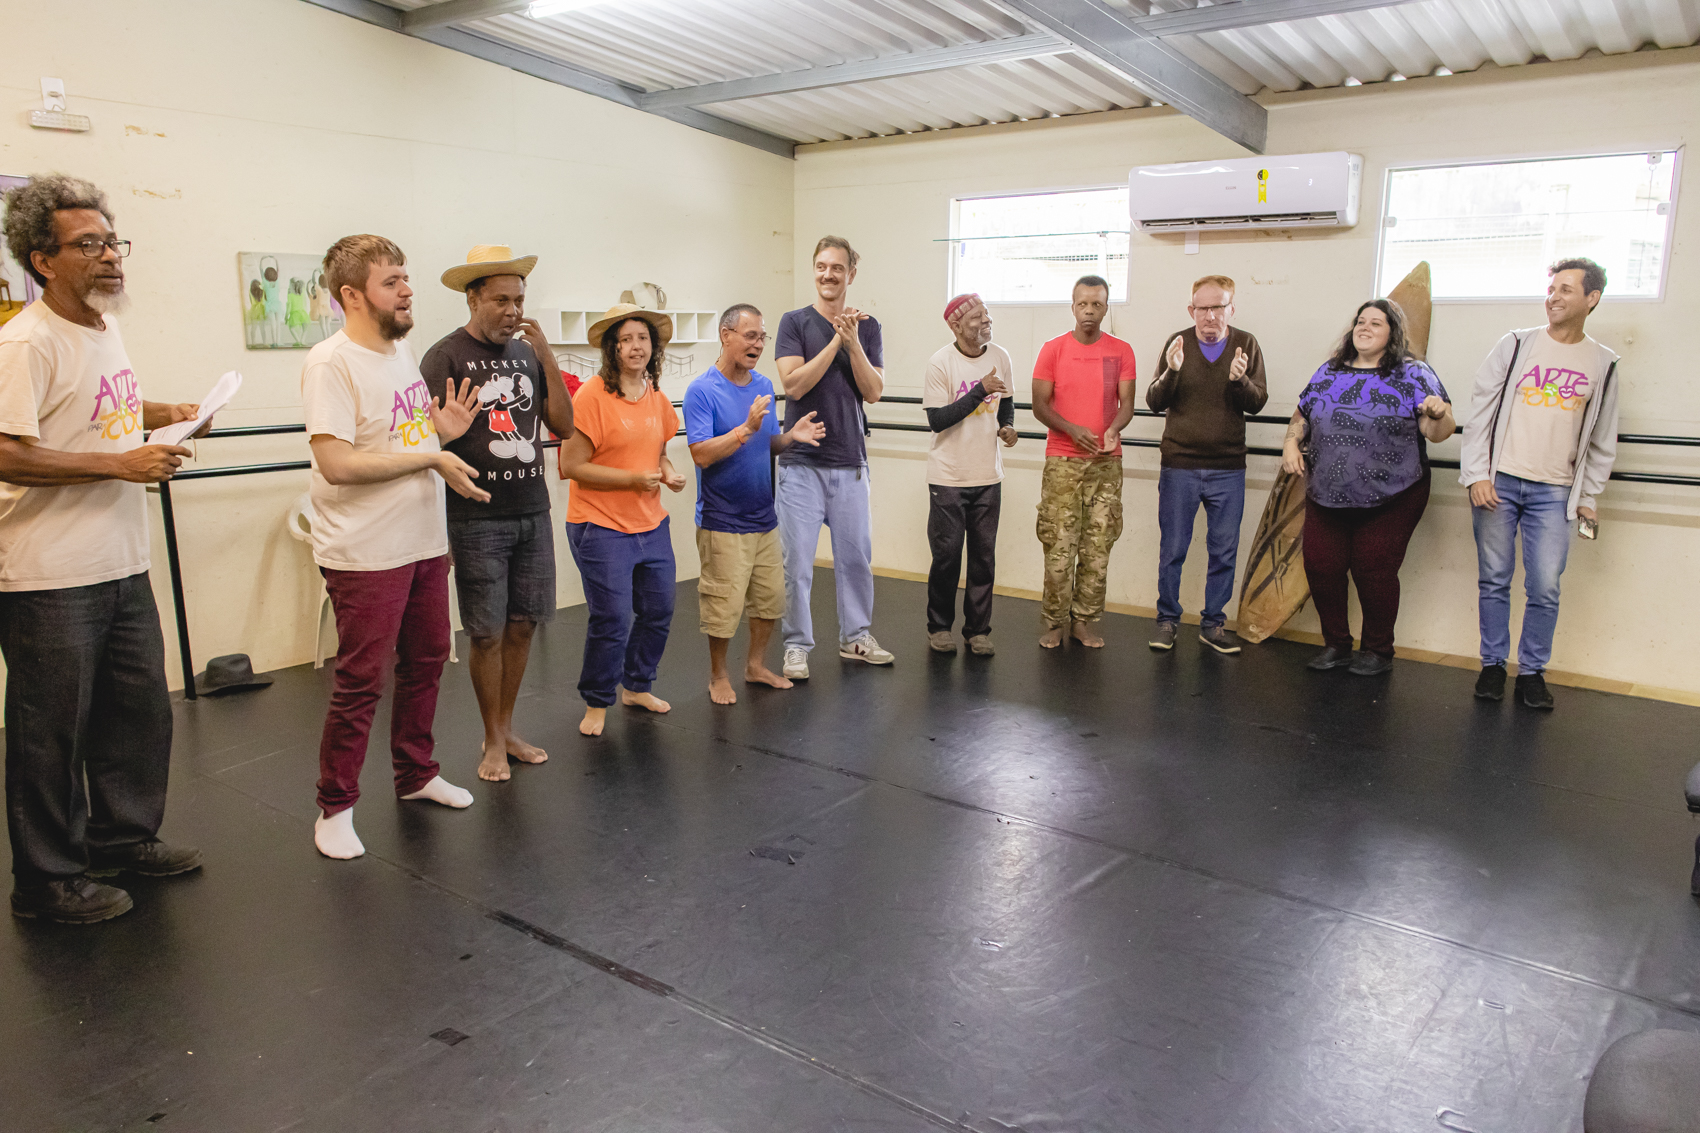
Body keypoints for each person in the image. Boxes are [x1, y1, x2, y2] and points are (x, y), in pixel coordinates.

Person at [0, 174, 209, 924]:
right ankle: (46, 880)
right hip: (46, 575)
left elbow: (96, 407)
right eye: (87, 245)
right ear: (42, 260)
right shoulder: (23, 342)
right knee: (48, 732)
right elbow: (7, 450)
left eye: (112, 241)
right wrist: (119, 463)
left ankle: (123, 836)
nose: (109, 257)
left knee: (136, 714)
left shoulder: (101, 327)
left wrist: (168, 413)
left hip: (122, 561)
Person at [303, 234, 489, 861]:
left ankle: (415, 775)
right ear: (352, 295)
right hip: (364, 551)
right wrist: (432, 454)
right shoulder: (331, 363)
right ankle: (335, 806)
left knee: (429, 659)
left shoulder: (401, 350)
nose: (408, 290)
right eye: (392, 281)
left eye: (405, 278)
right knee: (361, 681)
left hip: (422, 541)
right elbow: (334, 462)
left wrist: (442, 430)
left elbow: (395, 436)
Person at [421, 246, 574, 783]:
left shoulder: (527, 353)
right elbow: (421, 442)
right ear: (474, 298)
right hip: (476, 515)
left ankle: (507, 727)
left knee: (523, 623)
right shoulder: (444, 357)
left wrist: (548, 357)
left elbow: (563, 425)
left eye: (520, 300)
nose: (513, 311)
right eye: (502, 300)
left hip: (533, 507)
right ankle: (491, 737)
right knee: (484, 631)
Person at [1459, 258, 1620, 710]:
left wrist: (1588, 498)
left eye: (1566, 289)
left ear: (1592, 299)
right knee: (1494, 579)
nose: (1554, 296)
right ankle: (1492, 666)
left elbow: (1602, 439)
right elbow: (1480, 413)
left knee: (1545, 586)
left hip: (1556, 492)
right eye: (1552, 288)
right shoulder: (1515, 345)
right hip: (1500, 482)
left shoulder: (1603, 364)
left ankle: (1531, 673)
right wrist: (1476, 474)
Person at [1281, 299, 1453, 676]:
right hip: (1327, 491)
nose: (1365, 327)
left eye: (1376, 323)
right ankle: (1336, 645)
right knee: (1321, 566)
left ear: (1393, 333)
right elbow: (1302, 414)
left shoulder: (1413, 374)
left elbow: (1436, 433)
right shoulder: (1329, 371)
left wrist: (1440, 416)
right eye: (1361, 321)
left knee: (1373, 569)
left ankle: (1377, 650)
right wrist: (1291, 443)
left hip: (1393, 493)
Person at [684, 304, 827, 704]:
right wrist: (744, 429)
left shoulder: (763, 384)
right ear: (726, 335)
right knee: (723, 607)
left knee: (769, 600)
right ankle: (717, 676)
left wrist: (790, 437)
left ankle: (756, 665)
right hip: (721, 519)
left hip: (764, 516)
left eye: (762, 337)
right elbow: (701, 454)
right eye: (750, 336)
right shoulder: (702, 390)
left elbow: (768, 443)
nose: (758, 344)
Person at [558, 303, 686, 736]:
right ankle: (597, 701)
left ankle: (636, 685)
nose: (635, 347)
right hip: (599, 525)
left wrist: (667, 473)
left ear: (653, 347)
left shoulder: (657, 396)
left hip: (651, 524)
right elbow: (571, 465)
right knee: (611, 618)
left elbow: (660, 451)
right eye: (626, 339)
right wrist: (632, 479)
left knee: (659, 610)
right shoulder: (591, 395)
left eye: (642, 339)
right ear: (612, 348)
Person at [774, 235, 892, 680]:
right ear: (814, 269)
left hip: (850, 463)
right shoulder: (794, 323)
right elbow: (794, 385)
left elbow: (874, 391)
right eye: (822, 266)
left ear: (851, 275)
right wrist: (835, 343)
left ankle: (856, 638)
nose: (828, 274)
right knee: (797, 563)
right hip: (801, 464)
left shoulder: (869, 326)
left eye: (837, 268)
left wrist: (854, 341)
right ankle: (797, 647)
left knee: (856, 560)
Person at [1145, 274, 1268, 655]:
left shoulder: (1246, 344)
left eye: (1219, 307)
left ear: (1231, 309)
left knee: (1224, 550)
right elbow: (1153, 400)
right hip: (1179, 465)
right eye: (1203, 308)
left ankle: (1213, 624)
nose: (1211, 316)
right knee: (1174, 547)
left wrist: (1240, 381)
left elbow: (1257, 402)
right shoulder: (1177, 343)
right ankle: (1167, 620)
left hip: (1228, 468)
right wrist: (1172, 371)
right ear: (1191, 310)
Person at [1030, 274, 1137, 649]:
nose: (1089, 311)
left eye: (1097, 304)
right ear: (1072, 306)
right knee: (1059, 547)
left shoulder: (1121, 351)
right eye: (1082, 304)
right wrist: (1072, 430)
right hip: (1063, 461)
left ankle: (1085, 622)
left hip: (1107, 464)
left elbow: (1127, 407)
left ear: (1106, 308)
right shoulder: (1053, 349)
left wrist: (1114, 428)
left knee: (1098, 547)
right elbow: (1040, 406)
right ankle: (1055, 621)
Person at [922, 292, 1017, 655]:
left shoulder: (1000, 357)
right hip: (948, 477)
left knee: (983, 557)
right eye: (977, 317)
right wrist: (979, 391)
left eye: (987, 314)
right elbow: (937, 420)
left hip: (988, 476)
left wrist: (1007, 427)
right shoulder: (940, 363)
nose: (986, 321)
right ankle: (939, 626)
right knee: (946, 557)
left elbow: (1006, 403)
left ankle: (977, 630)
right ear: (956, 325)